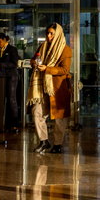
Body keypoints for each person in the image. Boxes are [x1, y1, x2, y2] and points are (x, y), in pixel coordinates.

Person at [27, 23, 72, 154]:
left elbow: (65, 69)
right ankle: (43, 141)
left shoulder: (65, 49)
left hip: (58, 88)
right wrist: (34, 62)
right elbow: (33, 59)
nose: (49, 36)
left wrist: (47, 69)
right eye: (47, 33)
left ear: (58, 34)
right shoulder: (43, 46)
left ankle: (58, 144)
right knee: (37, 112)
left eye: (52, 33)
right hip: (42, 87)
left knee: (59, 118)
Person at [0, 33, 20, 132]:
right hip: (1, 77)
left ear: (5, 40)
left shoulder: (12, 50)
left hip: (11, 76)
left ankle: (14, 124)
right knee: (1, 100)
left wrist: (0, 64)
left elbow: (14, 63)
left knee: (12, 99)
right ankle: (1, 124)